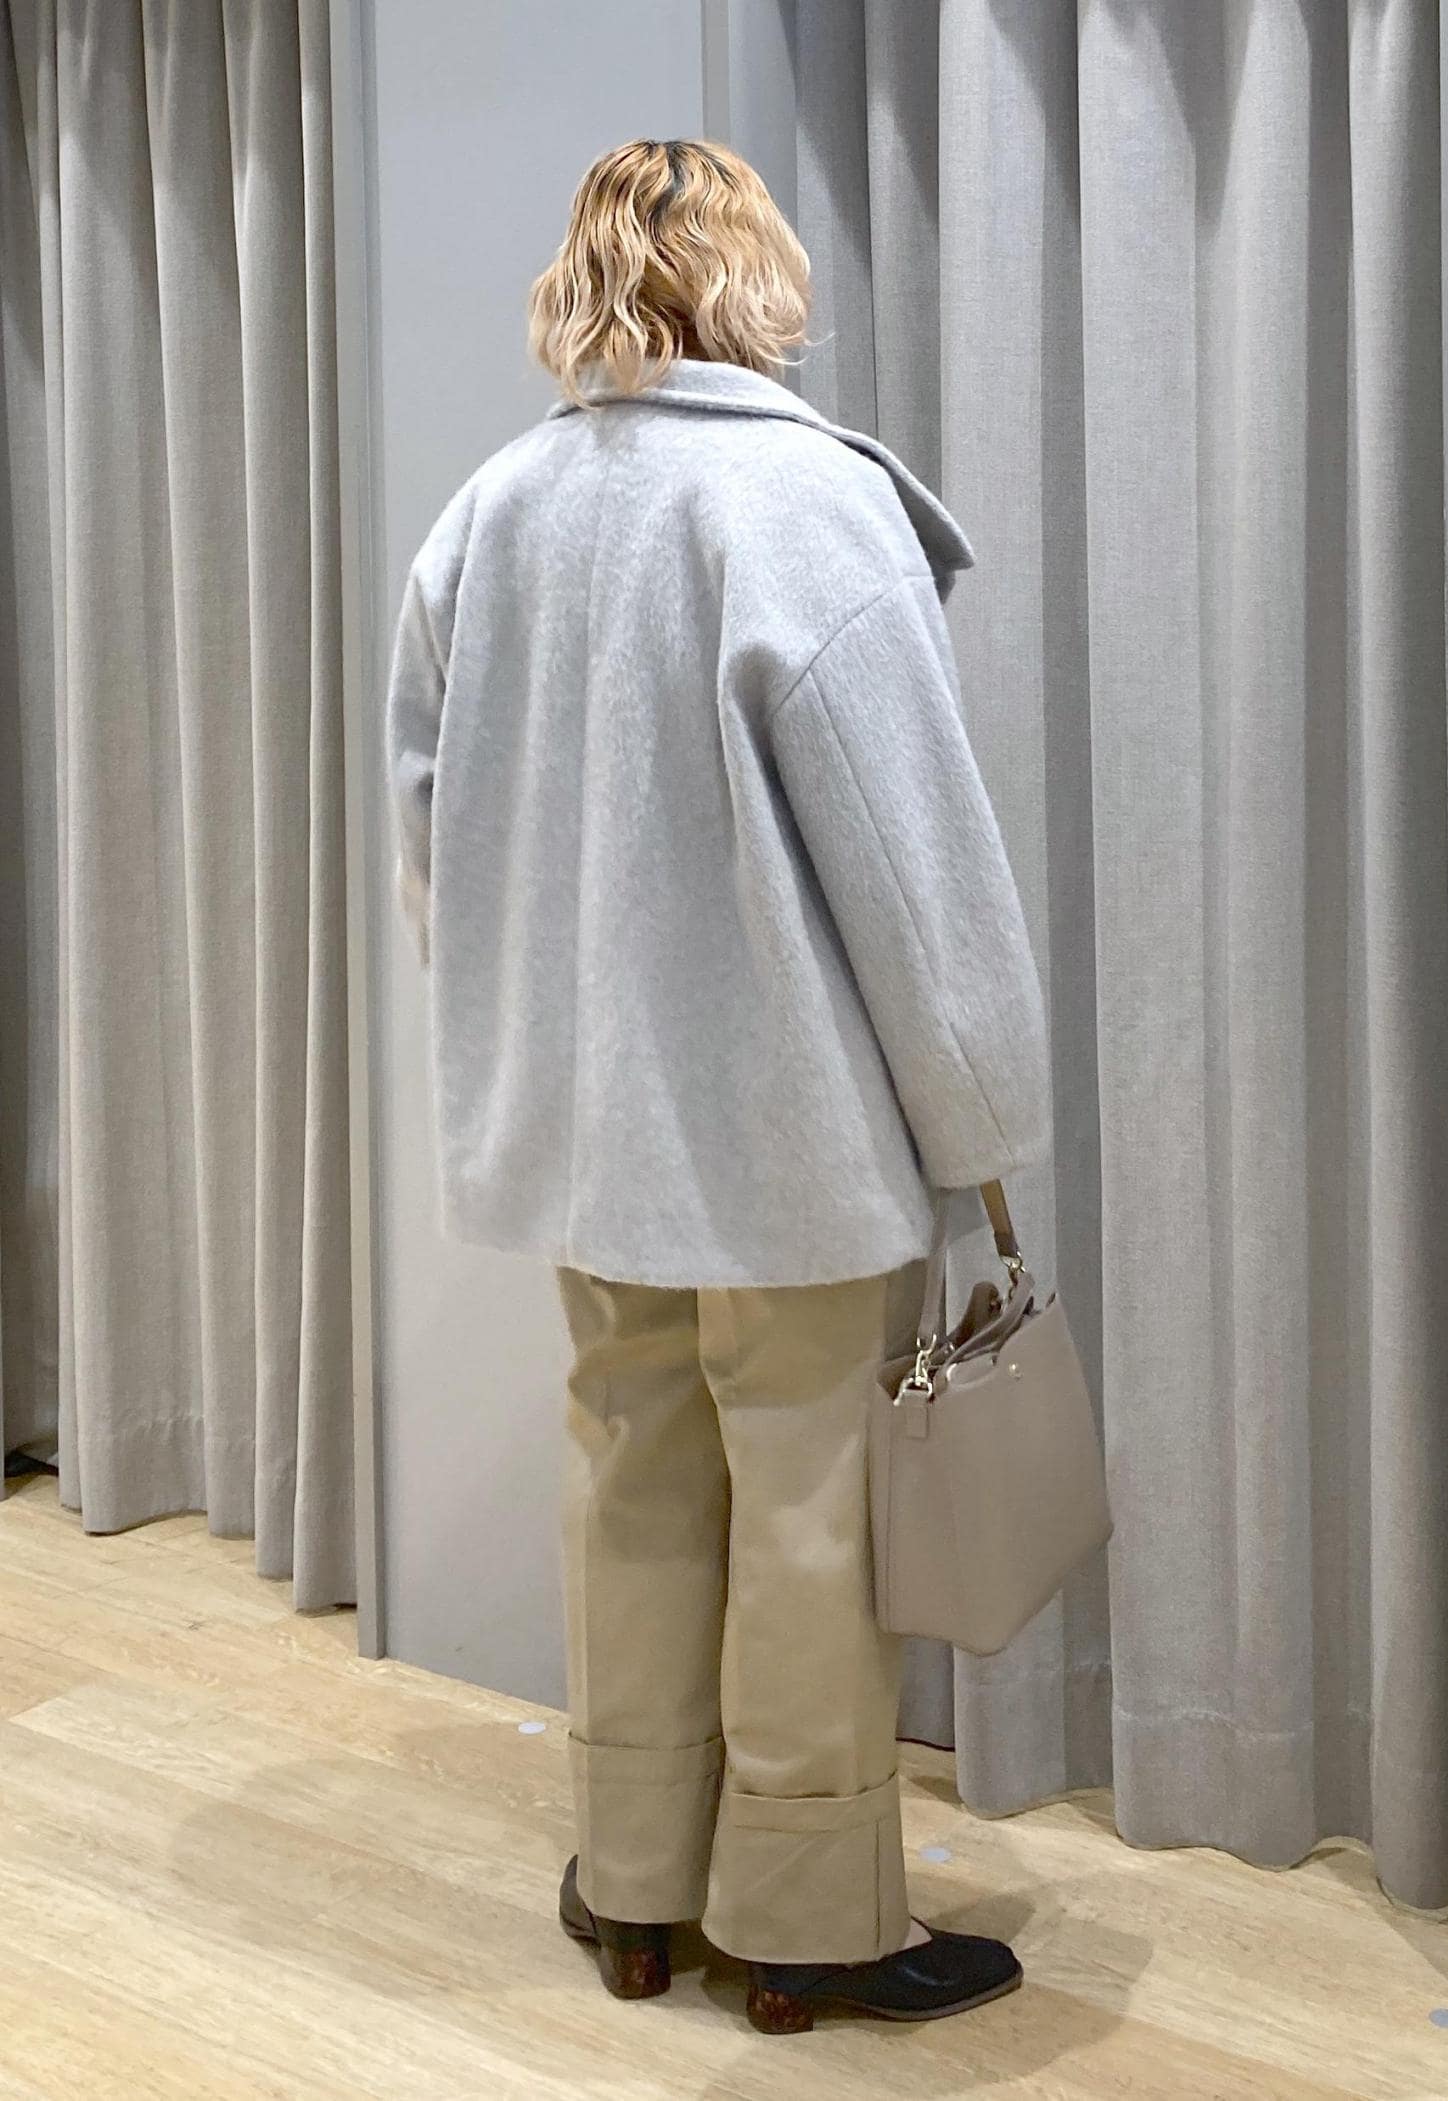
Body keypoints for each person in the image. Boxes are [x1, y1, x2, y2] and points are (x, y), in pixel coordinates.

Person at [387, 138, 1051, 2035]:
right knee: (810, 1508)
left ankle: (634, 1882)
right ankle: (809, 1919)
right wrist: (983, 1123)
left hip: (589, 1129)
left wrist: (533, 1040)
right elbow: (912, 863)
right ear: (753, 275)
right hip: (787, 1132)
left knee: (633, 1481)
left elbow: (435, 834)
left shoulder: (491, 513)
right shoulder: (803, 503)